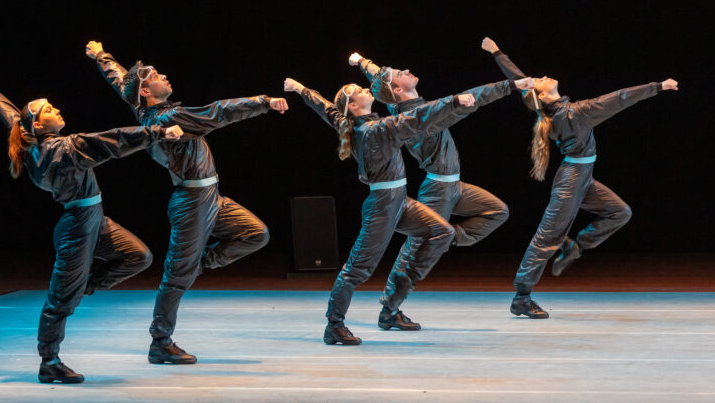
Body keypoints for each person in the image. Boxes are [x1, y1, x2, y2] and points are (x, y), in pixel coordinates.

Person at [0, 74, 183, 383]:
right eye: (47, 110)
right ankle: (49, 361)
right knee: (59, 301)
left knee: (139, 256)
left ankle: (83, 285)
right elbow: (114, 139)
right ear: (40, 126)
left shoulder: (30, 138)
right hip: (78, 228)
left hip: (94, 220)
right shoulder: (65, 149)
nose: (55, 108)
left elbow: (11, 114)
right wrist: (158, 132)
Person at [85, 41, 288, 364]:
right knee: (177, 276)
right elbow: (219, 112)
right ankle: (160, 342)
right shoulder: (170, 118)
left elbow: (121, 81)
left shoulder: (142, 108)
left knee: (256, 233)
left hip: (212, 197)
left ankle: (201, 264)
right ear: (146, 93)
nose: (163, 76)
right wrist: (262, 102)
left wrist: (101, 56)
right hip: (192, 202)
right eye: (154, 76)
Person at [481, 37, 679, 318]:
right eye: (541, 81)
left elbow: (520, 80)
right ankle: (522, 297)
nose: (543, 77)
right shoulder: (575, 113)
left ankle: (575, 246)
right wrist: (658, 87)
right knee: (547, 237)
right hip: (571, 180)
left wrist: (497, 53)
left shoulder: (553, 109)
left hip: (581, 175)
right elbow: (620, 98)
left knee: (619, 212)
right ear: (545, 95)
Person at [284, 76, 488, 344]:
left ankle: (393, 304)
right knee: (357, 270)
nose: (363, 87)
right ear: (355, 106)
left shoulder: (352, 124)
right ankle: (334, 326)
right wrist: (453, 101)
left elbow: (326, 108)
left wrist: (301, 88)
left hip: (399, 199)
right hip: (382, 205)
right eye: (357, 90)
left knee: (442, 232)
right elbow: (418, 117)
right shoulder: (376, 130)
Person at [348, 53, 535, 319]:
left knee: (497, 211)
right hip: (437, 190)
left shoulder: (403, 103)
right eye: (402, 73)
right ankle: (390, 309)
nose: (408, 69)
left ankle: (445, 239)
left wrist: (361, 62)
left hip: (454, 186)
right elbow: (474, 98)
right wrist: (511, 86)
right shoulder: (419, 117)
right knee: (413, 250)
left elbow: (383, 79)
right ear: (399, 90)